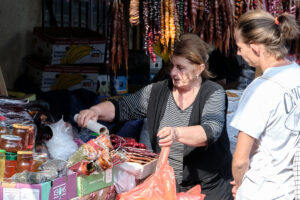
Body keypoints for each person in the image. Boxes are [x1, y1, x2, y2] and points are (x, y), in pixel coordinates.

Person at [77, 33, 233, 199]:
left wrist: (176, 133)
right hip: (169, 186)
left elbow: (210, 130)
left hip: (209, 189)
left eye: (180, 68)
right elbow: (122, 107)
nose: (173, 72)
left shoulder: (213, 93)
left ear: (199, 68)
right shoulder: (158, 91)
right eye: (171, 66)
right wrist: (95, 111)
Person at [230, 10, 300, 199]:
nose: (238, 52)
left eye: (239, 47)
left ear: (255, 47)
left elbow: (240, 161)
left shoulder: (259, 90)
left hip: (263, 191)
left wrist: (240, 184)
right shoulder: (297, 74)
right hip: (291, 190)